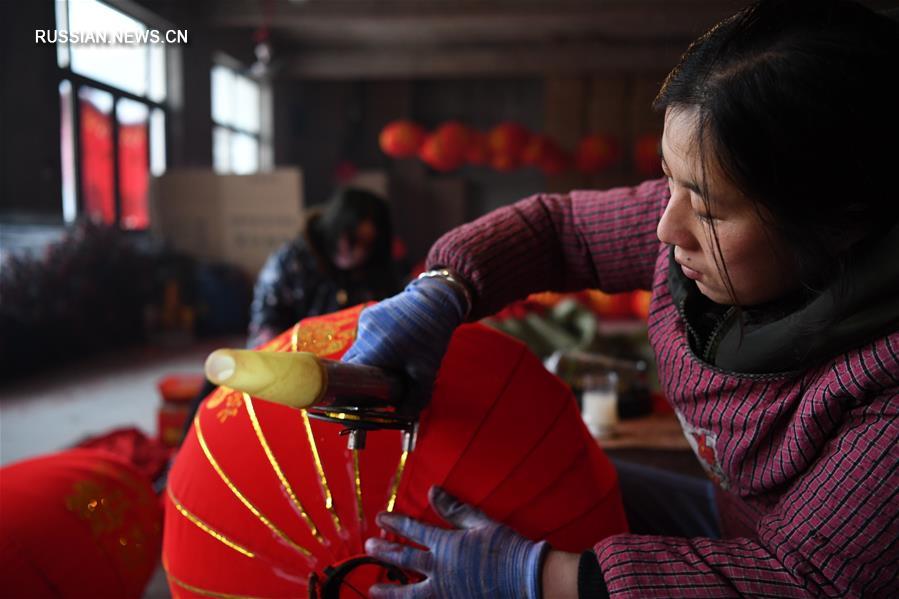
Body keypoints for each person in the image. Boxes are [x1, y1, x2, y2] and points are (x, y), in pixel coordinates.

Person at [341, 1, 899, 597]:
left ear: (839, 223)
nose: (665, 227)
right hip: (726, 517)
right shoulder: (693, 240)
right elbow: (564, 230)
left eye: (707, 208)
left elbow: (806, 581)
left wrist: (540, 576)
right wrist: (445, 287)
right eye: (669, 180)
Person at [248, 186, 403, 348]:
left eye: (368, 245)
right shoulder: (292, 263)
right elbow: (266, 330)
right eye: (352, 240)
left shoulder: (376, 270)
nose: (358, 253)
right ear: (335, 228)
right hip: (290, 361)